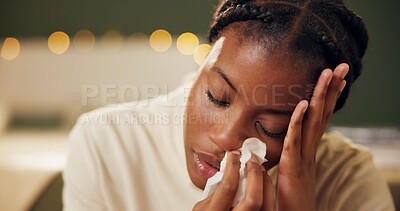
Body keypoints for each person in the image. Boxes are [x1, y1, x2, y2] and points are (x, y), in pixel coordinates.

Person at [63, 0, 396, 210]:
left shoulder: (348, 181)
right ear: (203, 64)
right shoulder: (106, 145)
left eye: (272, 128)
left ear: (316, 124)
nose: (224, 138)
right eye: (217, 97)